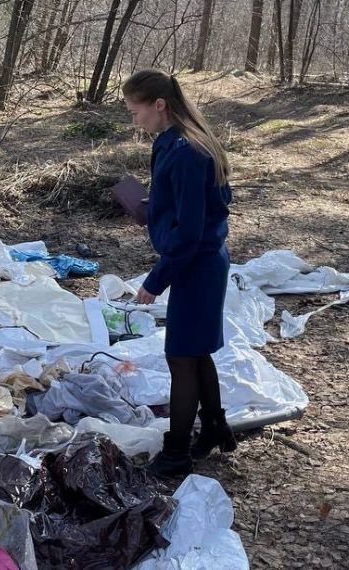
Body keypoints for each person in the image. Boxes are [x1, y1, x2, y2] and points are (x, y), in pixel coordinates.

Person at [123, 69, 237, 477]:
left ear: (159, 105)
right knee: (194, 350)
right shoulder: (171, 142)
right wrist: (151, 207)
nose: (134, 120)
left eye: (136, 111)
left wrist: (155, 281)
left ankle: (176, 453)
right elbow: (186, 204)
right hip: (196, 260)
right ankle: (215, 427)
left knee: (181, 358)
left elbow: (190, 232)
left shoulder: (190, 150)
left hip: (197, 265)